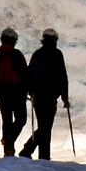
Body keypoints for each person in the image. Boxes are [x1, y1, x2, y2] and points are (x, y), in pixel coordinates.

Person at [19, 28, 70, 159]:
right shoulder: (57, 54)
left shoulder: (37, 54)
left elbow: (29, 75)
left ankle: (42, 155)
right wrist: (65, 97)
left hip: (38, 97)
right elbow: (63, 77)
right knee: (46, 127)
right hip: (51, 96)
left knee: (44, 126)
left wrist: (30, 92)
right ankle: (30, 151)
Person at [0, 27, 31, 156]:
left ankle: (8, 148)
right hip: (17, 93)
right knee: (21, 119)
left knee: (6, 120)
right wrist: (28, 90)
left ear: (2, 39)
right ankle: (8, 141)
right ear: (14, 41)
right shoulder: (17, 55)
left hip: (2, 93)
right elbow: (25, 74)